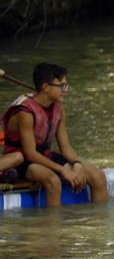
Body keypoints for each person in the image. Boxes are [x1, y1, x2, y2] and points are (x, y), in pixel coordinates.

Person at [2, 63, 107, 206]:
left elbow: (65, 147)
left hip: (45, 155)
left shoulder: (59, 108)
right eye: (61, 86)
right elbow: (30, 154)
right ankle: (52, 226)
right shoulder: (25, 112)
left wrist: (76, 164)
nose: (66, 90)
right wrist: (64, 170)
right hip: (24, 161)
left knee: (98, 176)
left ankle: (101, 226)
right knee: (53, 181)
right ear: (45, 87)